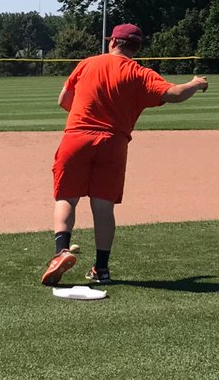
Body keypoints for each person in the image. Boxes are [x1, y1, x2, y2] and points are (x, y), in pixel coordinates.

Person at [41, 24, 209, 286]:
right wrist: (195, 84)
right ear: (136, 48)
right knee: (103, 207)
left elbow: (64, 100)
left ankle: (61, 251)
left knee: (67, 198)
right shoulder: (140, 73)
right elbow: (173, 94)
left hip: (77, 136)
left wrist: (86, 114)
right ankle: (102, 269)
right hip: (113, 142)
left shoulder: (87, 63)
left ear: (112, 43)